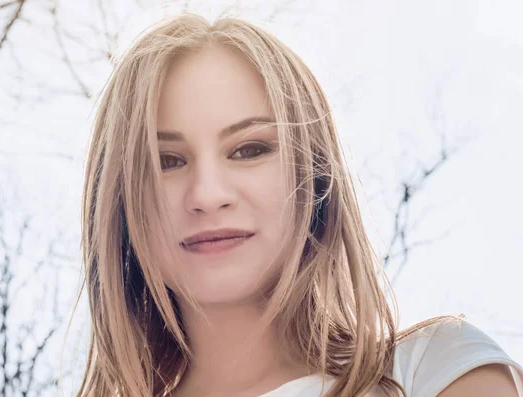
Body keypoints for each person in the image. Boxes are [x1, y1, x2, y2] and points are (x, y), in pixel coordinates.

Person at [72, 12, 523, 397]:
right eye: (165, 161)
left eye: (249, 150)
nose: (208, 194)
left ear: (315, 174)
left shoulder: (438, 371)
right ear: (118, 203)